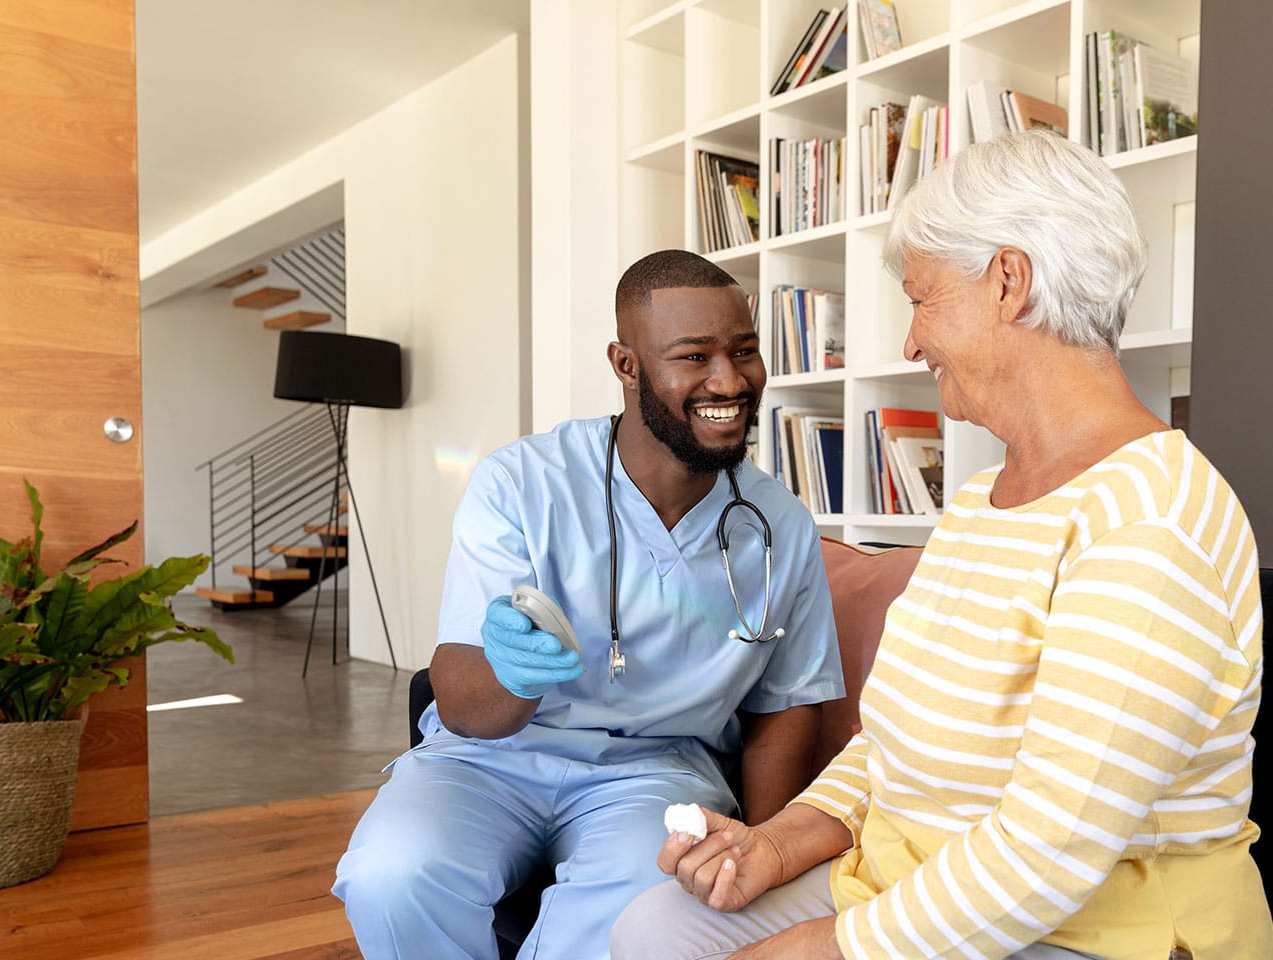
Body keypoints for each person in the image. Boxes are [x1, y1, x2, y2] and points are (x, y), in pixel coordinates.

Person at [611, 130, 1272, 960]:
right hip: (905, 875)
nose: (911, 342)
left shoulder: (1149, 520)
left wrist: (824, 948)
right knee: (654, 929)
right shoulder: (978, 503)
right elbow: (889, 744)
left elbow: (1047, 852)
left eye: (922, 299)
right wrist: (776, 843)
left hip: (1092, 930)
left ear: (1008, 282)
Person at [333, 250, 844, 959]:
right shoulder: (521, 483)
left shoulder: (779, 523)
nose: (729, 380)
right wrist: (514, 675)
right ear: (626, 364)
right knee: (392, 876)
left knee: (634, 912)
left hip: (656, 774)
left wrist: (763, 851)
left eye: (744, 351)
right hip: (492, 760)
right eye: (693, 356)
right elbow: (461, 706)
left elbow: (788, 704)